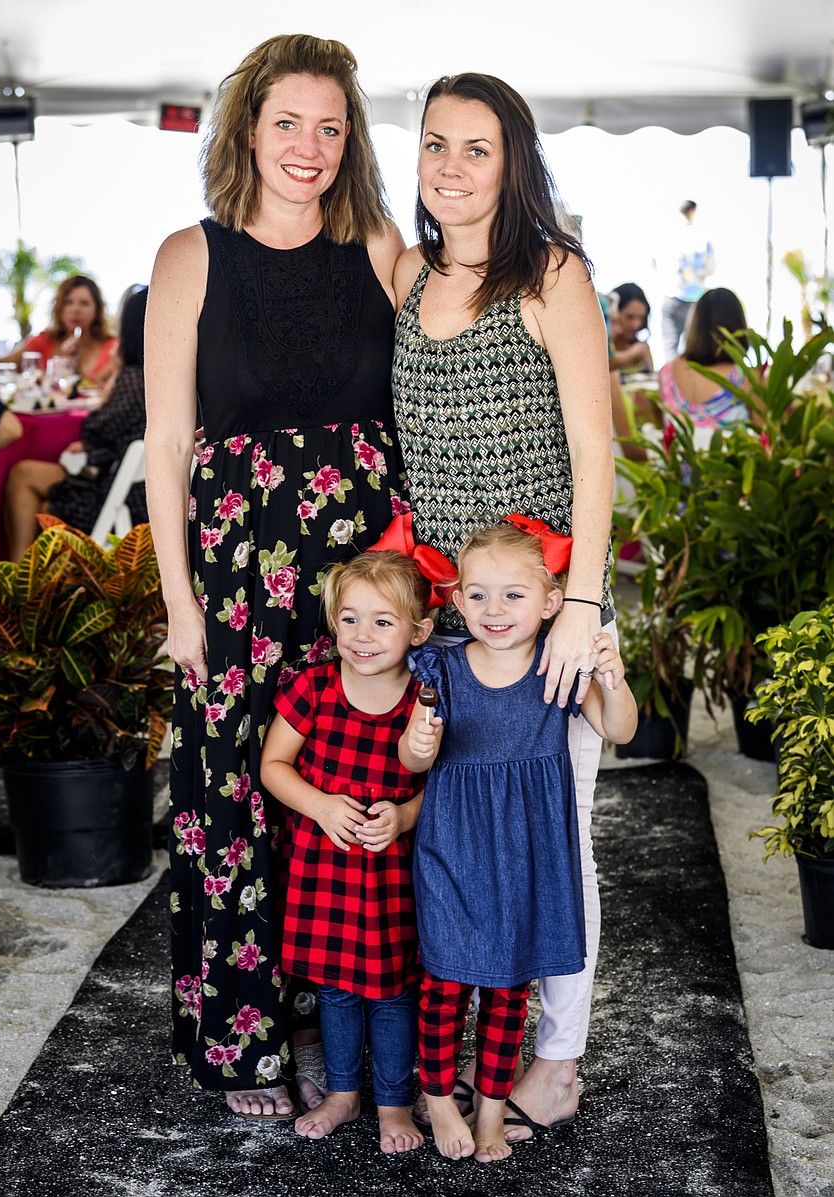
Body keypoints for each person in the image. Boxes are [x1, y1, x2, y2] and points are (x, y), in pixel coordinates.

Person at [144, 33, 407, 1120]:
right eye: (288, 122)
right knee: (231, 796)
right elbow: (167, 445)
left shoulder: (380, 247)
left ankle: (338, 1023)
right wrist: (178, 603)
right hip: (234, 576)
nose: (310, 146)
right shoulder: (189, 256)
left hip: (360, 579)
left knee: (349, 783)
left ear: (352, 142)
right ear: (247, 129)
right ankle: (244, 1035)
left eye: (330, 127)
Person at [390, 72, 616, 1140]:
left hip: (544, 612)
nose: (451, 166)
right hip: (447, 620)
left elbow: (596, 454)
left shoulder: (551, 272)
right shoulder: (405, 273)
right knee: (456, 840)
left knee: (555, 840)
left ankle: (556, 1061)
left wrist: (583, 606)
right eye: (435, 143)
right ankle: (453, 1054)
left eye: (476, 147)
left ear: (513, 160)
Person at [399, 519, 637, 1163]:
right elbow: (413, 758)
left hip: (528, 858)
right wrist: (418, 744)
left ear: (552, 602)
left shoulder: (558, 668)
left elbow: (619, 730)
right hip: (453, 851)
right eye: (478, 595)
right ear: (456, 600)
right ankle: (440, 1098)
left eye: (514, 595)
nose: (494, 610)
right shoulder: (443, 667)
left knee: (509, 993)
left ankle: (491, 1111)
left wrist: (613, 679)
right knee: (445, 982)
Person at [260, 548, 438, 1153]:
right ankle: (343, 1093)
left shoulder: (426, 698)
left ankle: (394, 1103)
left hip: (393, 876)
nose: (362, 635)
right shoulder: (314, 687)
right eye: (349, 619)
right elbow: (273, 766)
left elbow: (447, 785)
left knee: (394, 993)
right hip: (325, 872)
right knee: (335, 991)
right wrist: (321, 805)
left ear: (419, 632)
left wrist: (405, 816)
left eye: (383, 622)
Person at [1, 286, 149, 562]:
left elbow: (96, 431)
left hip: (113, 494)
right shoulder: (150, 376)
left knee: (25, 480)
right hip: (133, 490)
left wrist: (115, 376)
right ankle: (29, 573)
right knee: (34, 491)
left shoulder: (132, 378)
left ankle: (18, 569)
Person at [0, 275, 119, 386]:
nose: (76, 309)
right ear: (59, 308)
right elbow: (2, 366)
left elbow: (100, 387)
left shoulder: (114, 348)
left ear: (97, 309)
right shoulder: (44, 340)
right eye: (68, 302)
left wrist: (72, 362)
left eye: (84, 303)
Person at [659, 286, 752, 429]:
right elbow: (764, 437)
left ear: (694, 325)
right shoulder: (747, 378)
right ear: (738, 326)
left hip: (679, 446)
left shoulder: (667, 372)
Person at [655, 200, 716, 361]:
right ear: (694, 211)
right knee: (695, 350)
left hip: (671, 296)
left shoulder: (669, 235)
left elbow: (656, 264)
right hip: (696, 299)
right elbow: (711, 268)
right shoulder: (702, 237)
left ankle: (670, 377)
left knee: (670, 348)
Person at [608, 281, 653, 375]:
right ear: (614, 313)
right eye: (630, 317)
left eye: (641, 318)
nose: (636, 325)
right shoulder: (603, 349)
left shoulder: (642, 348)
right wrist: (630, 356)